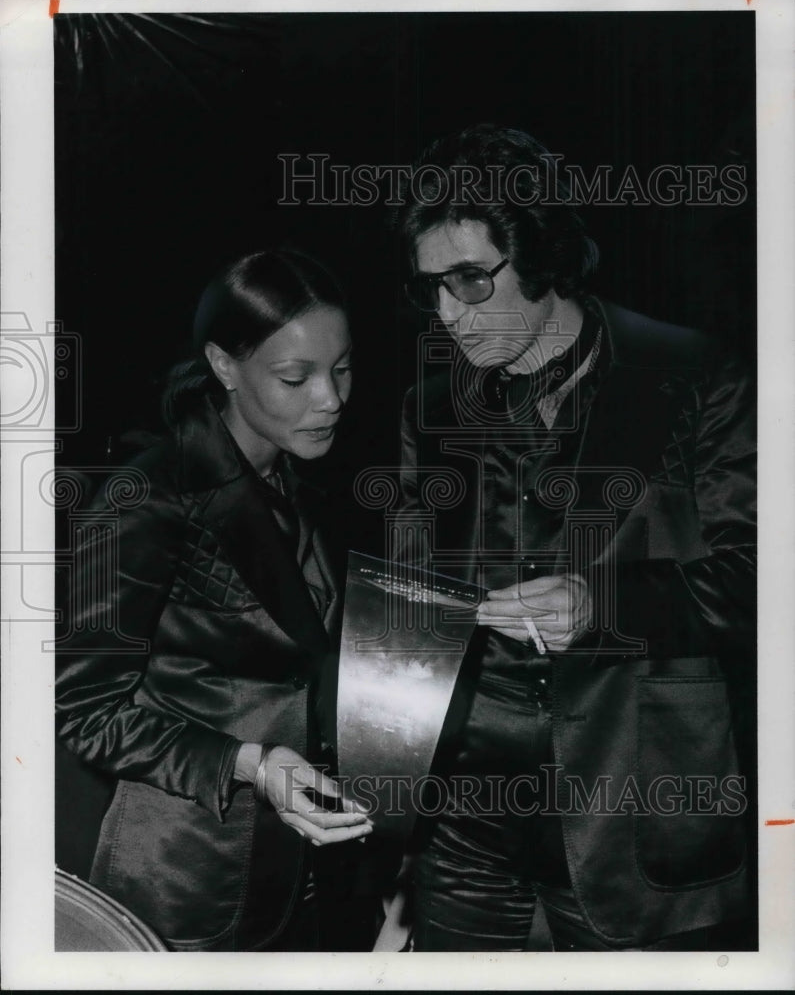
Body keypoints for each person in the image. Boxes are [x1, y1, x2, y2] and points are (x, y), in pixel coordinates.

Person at [390, 124, 755, 951]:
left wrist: (600, 606)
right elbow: (410, 600)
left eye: (471, 281)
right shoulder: (432, 405)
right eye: (430, 289)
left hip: (636, 808)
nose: (449, 315)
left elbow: (760, 581)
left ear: (542, 257)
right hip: (463, 821)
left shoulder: (695, 374)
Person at [56, 249, 376, 952]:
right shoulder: (147, 501)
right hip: (178, 885)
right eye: (295, 377)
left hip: (297, 873)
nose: (331, 398)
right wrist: (253, 763)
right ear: (225, 367)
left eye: (343, 366)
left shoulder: (302, 484)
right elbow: (83, 713)